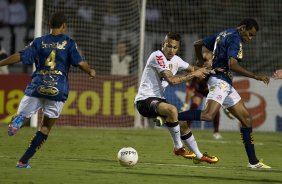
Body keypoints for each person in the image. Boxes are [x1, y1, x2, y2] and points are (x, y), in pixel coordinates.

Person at [0, 12, 96, 168]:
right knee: (45, 127)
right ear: (64, 26)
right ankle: (23, 161)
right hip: (57, 89)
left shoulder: (39, 42)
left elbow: (20, 56)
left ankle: (19, 120)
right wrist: (90, 71)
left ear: (50, 25)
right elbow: (80, 63)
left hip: (37, 85)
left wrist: (0, 63)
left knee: (23, 116)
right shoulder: (68, 42)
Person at [178, 18, 271, 168]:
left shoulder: (224, 33)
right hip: (219, 80)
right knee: (208, 115)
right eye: (249, 34)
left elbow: (198, 44)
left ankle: (253, 162)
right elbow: (232, 64)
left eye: (253, 36)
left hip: (225, 82)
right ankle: (171, 116)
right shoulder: (235, 38)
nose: (250, 38)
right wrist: (256, 76)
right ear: (242, 28)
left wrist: (201, 61)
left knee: (246, 118)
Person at [134, 32, 219, 164]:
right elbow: (172, 81)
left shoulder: (177, 60)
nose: (171, 50)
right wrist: (194, 74)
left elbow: (193, 68)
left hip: (158, 100)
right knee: (173, 110)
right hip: (144, 100)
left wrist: (213, 70)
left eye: (174, 47)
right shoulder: (157, 56)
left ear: (178, 48)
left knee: (183, 125)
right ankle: (178, 147)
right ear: (163, 45)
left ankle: (199, 155)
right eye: (169, 46)